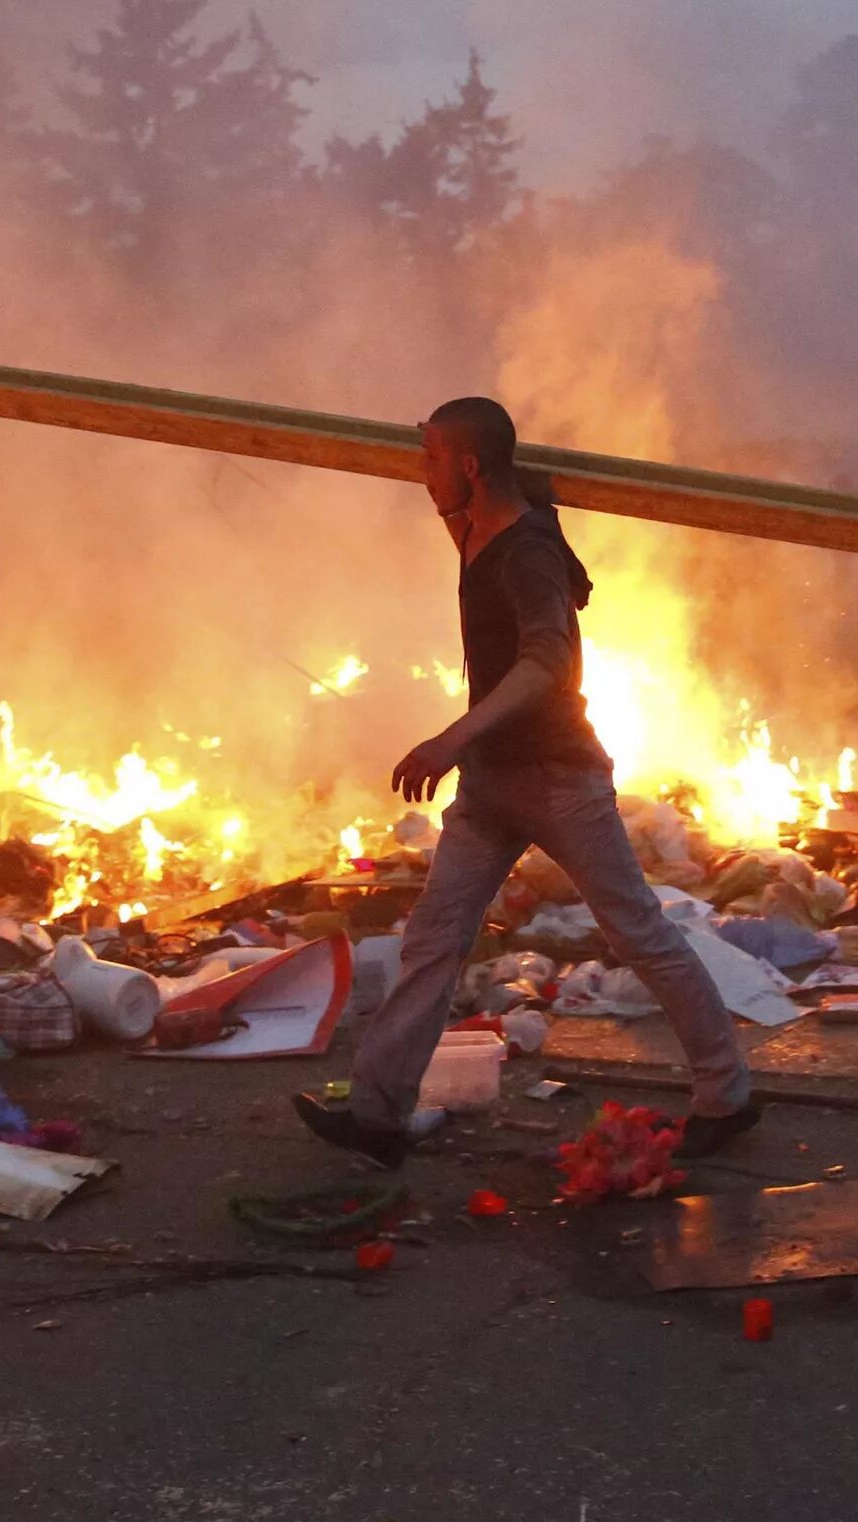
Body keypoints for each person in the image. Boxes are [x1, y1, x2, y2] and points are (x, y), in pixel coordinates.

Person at [296, 397, 754, 1167]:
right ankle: (377, 1114)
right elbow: (513, 521)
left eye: (434, 459)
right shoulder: (476, 522)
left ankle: (727, 1092)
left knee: (638, 932)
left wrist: (451, 736)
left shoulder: (528, 552)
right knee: (434, 940)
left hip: (557, 777)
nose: (422, 472)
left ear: (472, 467)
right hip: (490, 785)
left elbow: (546, 660)